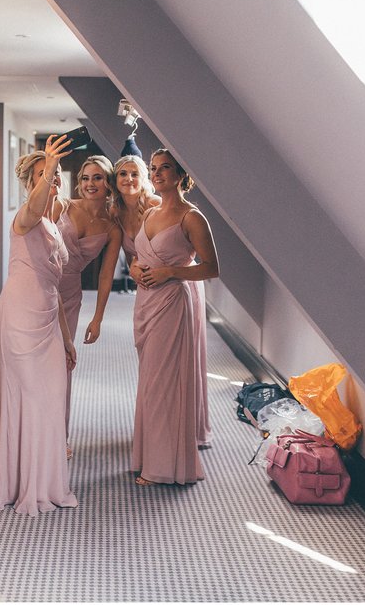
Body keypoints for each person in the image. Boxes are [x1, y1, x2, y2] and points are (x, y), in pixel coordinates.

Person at [0, 135, 79, 516]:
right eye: (44, 176)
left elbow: (55, 288)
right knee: (28, 399)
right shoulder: (23, 220)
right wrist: (50, 170)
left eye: (56, 176)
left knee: (52, 399)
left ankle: (47, 483)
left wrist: (67, 338)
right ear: (29, 184)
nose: (52, 181)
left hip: (47, 319)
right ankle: (22, 485)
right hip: (19, 320)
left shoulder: (53, 225)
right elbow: (34, 206)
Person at [129, 149, 220, 486]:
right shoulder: (151, 212)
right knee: (149, 381)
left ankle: (164, 467)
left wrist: (169, 271)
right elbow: (139, 256)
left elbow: (211, 268)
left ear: (182, 174)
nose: (157, 174)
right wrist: (136, 267)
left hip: (171, 304)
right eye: (153, 168)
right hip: (144, 303)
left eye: (165, 168)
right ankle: (148, 456)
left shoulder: (192, 217)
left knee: (162, 382)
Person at [56, 155, 123, 456]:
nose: (89, 184)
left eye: (97, 178)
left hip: (70, 294)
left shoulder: (112, 226)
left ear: (108, 184)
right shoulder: (62, 206)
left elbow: (107, 274)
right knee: (35, 363)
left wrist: (97, 318)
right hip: (41, 288)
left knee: (62, 365)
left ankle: (59, 435)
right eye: (85, 178)